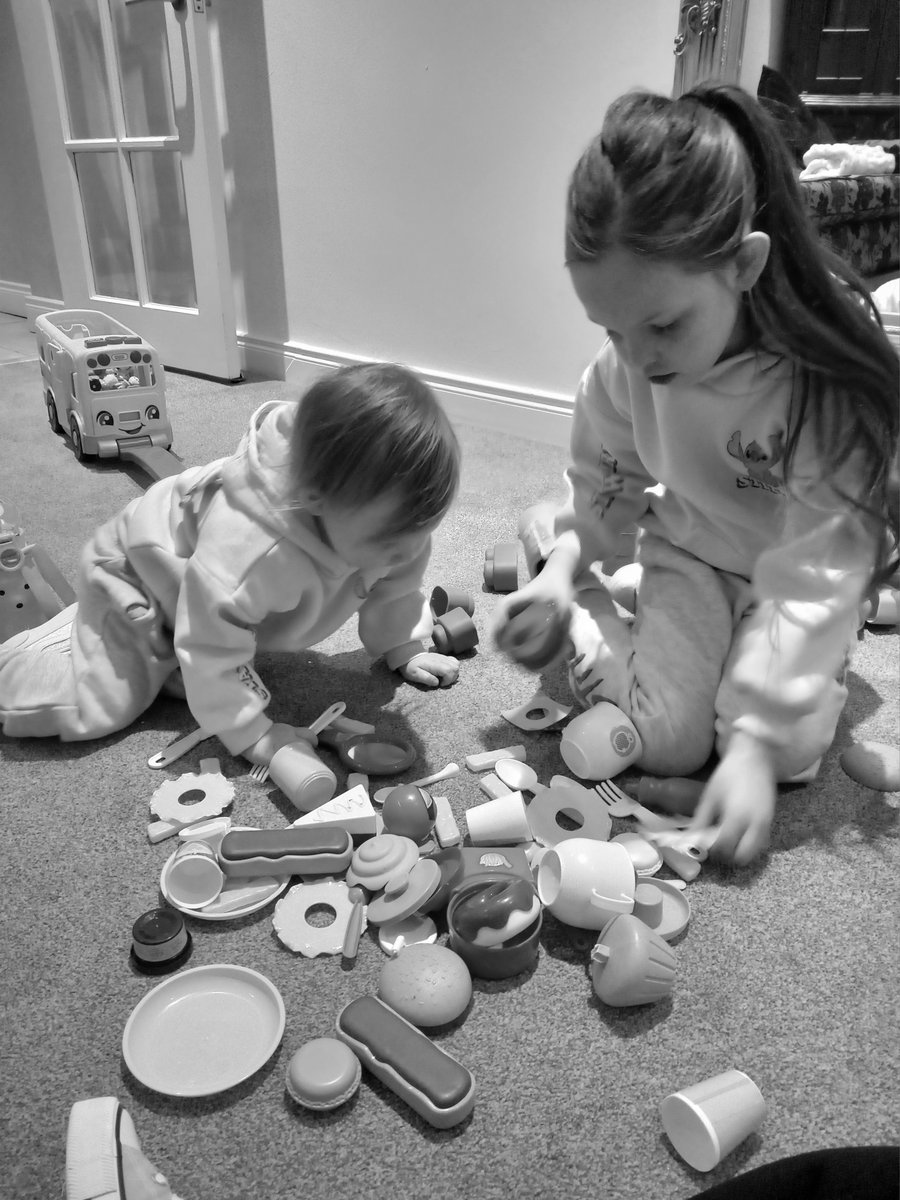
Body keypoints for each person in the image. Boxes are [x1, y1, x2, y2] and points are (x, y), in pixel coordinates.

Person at [493, 82, 898, 865]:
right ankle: (586, 601)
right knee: (667, 745)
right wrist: (565, 570)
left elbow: (816, 572)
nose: (637, 357)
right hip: (688, 552)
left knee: (778, 754)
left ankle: (706, 661)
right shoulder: (623, 368)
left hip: (797, 580)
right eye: (610, 326)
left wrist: (751, 747)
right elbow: (605, 493)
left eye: (664, 324)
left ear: (745, 265)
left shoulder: (818, 385)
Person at [0, 362, 461, 765]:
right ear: (315, 499)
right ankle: (32, 657)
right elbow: (211, 644)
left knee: (197, 675)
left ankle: (154, 649)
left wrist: (404, 643)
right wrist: (254, 735)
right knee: (103, 704)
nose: (410, 550)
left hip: (204, 589)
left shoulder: (396, 534)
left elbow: (396, 586)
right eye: (392, 537)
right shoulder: (253, 549)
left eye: (423, 526)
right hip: (136, 577)